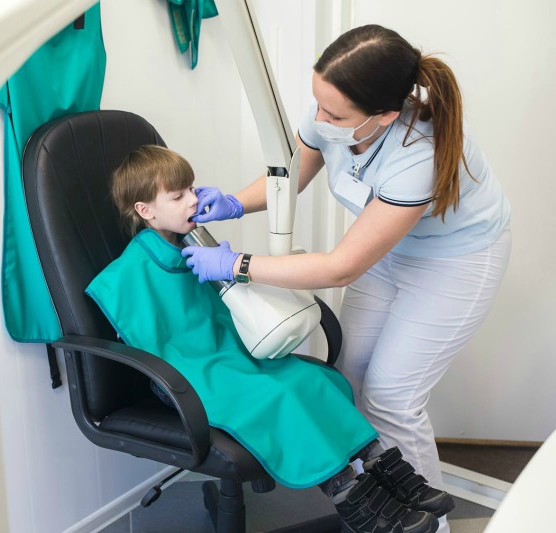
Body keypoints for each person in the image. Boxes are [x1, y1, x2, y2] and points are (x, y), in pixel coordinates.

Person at [180, 25, 512, 533]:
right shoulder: (333, 114)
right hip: (384, 248)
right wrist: (233, 202)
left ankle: (428, 530)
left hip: (456, 262)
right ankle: (383, 514)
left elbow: (341, 266)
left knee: (393, 399)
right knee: (348, 380)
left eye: (333, 114)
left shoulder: (417, 155)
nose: (318, 120)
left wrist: (236, 266)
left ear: (382, 115)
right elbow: (288, 175)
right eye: (317, 104)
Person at [86, 144, 454, 533]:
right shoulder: (127, 275)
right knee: (279, 395)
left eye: (192, 188)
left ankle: (387, 470)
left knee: (308, 379)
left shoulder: (194, 246)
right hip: (191, 374)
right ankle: (352, 499)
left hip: (232, 354)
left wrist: (230, 268)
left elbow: (230, 310)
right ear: (146, 211)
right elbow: (154, 339)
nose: (193, 200)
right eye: (178, 196)